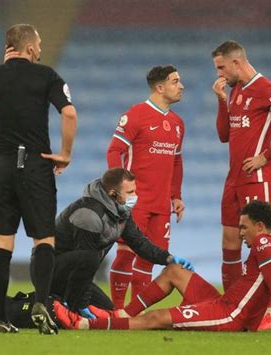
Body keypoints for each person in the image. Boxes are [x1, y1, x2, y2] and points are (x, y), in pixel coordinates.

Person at [55, 201, 271, 335]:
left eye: (244, 227)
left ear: (260, 226)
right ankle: (122, 313)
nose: (241, 232)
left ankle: (83, 325)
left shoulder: (265, 244)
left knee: (156, 319)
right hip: (226, 302)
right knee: (175, 270)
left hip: (231, 315)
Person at [0, 24, 77, 334]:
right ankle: (42, 304)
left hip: (3, 164)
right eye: (39, 43)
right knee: (44, 238)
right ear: (31, 48)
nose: (41, 48)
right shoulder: (46, 75)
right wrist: (65, 153)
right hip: (35, 164)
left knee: (2, 242)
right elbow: (70, 113)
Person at [211, 40, 271, 328]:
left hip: (257, 178)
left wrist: (265, 156)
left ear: (237, 62)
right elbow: (224, 135)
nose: (220, 74)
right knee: (229, 242)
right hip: (234, 178)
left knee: (261, 245)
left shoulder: (266, 89)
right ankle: (236, 307)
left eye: (222, 67)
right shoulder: (235, 90)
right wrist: (222, 100)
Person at [52, 168, 193, 319]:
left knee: (108, 311)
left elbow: (140, 243)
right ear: (113, 193)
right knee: (89, 260)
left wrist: (168, 259)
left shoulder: (120, 213)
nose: (135, 196)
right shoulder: (89, 215)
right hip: (52, 272)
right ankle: (65, 304)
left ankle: (69, 304)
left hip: (76, 275)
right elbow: (85, 260)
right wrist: (81, 304)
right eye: (131, 192)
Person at [107, 65, 186, 308]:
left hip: (161, 205)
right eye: (175, 81)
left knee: (149, 261)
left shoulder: (177, 123)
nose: (181, 86)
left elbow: (176, 160)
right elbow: (114, 151)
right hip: (136, 203)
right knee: (125, 256)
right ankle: (117, 309)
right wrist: (120, 188)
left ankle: (132, 315)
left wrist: (176, 196)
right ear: (160, 87)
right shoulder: (136, 114)